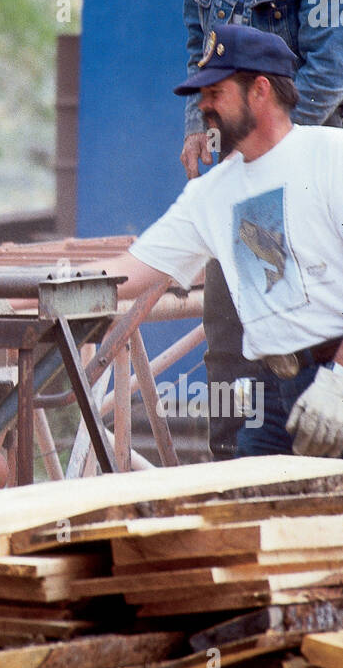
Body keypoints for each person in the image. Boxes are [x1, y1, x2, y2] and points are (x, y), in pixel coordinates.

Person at [180, 0, 343, 456]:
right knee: (228, 335)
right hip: (237, 169)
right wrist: (201, 120)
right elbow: (198, 39)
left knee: (293, 346)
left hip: (297, 171)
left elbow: (328, 74)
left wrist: (265, 158)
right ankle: (229, 479)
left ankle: (296, 489)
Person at [103, 23, 343, 459]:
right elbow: (129, 272)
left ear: (260, 91)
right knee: (254, 517)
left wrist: (340, 383)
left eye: (216, 93)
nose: (204, 107)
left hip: (336, 374)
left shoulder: (331, 156)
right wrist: (29, 292)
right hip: (269, 389)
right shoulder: (211, 195)